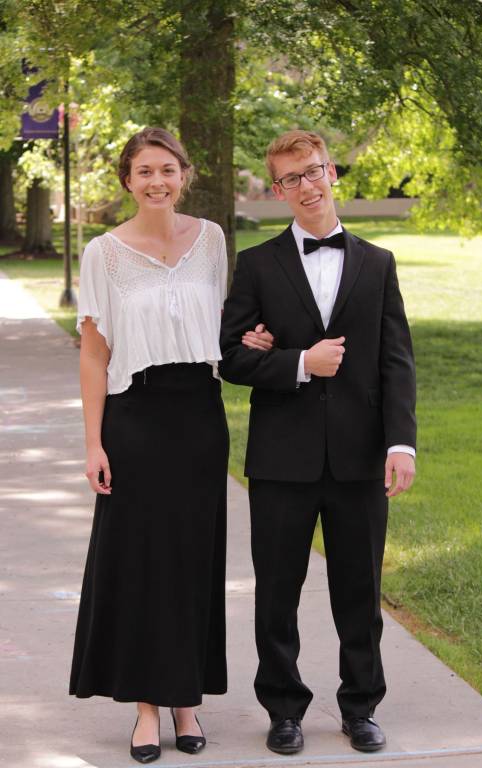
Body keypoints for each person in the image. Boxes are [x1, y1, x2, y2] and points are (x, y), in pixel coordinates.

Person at [69, 126, 273, 764]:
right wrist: (94, 443)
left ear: (184, 175)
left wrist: (249, 342)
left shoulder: (210, 240)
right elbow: (94, 355)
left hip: (199, 420)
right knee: (140, 565)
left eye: (167, 170)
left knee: (192, 562)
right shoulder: (103, 253)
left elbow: (219, 327)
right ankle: (146, 709)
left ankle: (187, 699)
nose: (157, 181)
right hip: (134, 420)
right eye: (144, 171)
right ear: (128, 181)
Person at [219, 129, 416, 755]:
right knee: (276, 593)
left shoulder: (378, 263)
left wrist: (401, 444)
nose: (305, 186)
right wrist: (299, 361)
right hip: (282, 458)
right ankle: (283, 709)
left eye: (312, 171)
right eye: (290, 179)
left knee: (359, 593)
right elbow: (230, 358)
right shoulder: (257, 264)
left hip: (361, 457)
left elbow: (396, 361)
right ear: (277, 191)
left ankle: (361, 706)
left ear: (331, 173)